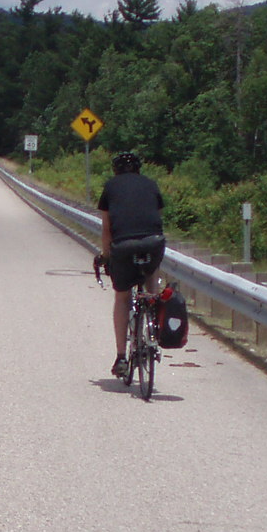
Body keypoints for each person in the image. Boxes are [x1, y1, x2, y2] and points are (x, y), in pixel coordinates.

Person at [95, 150, 168, 379]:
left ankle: (121, 357)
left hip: (123, 246)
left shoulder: (110, 187)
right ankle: (153, 327)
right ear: (139, 169)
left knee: (123, 297)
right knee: (151, 284)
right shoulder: (151, 184)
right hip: (153, 243)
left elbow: (107, 229)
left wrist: (106, 255)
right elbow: (156, 219)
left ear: (116, 170)